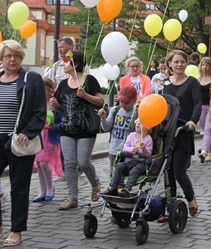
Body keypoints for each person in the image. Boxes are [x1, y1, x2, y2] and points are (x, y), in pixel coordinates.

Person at [0, 40, 46, 247]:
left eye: (16, 55)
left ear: (21, 57)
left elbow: (39, 111)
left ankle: (17, 230)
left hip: (17, 142)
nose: (12, 59)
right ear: (1, 59)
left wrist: (27, 132)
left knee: (19, 187)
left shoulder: (30, 79)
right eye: (7, 56)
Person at [50, 50, 104, 210]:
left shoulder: (89, 80)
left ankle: (95, 183)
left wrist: (86, 95)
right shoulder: (63, 84)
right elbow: (60, 106)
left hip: (86, 129)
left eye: (66, 61)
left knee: (83, 162)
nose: (63, 64)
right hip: (67, 129)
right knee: (70, 163)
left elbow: (100, 101)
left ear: (76, 64)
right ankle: (72, 197)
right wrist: (55, 105)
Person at [162, 49, 202, 217]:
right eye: (176, 62)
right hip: (166, 132)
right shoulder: (164, 84)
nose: (179, 64)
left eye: (182, 61)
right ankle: (170, 208)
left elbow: (198, 104)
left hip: (184, 131)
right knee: (167, 172)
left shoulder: (192, 82)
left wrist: (193, 120)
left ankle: (190, 198)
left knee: (179, 171)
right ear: (169, 64)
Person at [31, 78, 63, 202]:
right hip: (38, 135)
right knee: (39, 163)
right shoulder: (36, 103)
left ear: (49, 90)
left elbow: (62, 120)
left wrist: (55, 126)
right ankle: (43, 190)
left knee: (44, 162)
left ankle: (50, 188)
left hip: (49, 135)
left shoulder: (54, 104)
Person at [104, 120, 153, 197]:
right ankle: (113, 187)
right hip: (129, 161)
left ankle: (127, 188)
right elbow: (125, 147)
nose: (137, 124)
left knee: (134, 171)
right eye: (137, 123)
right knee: (119, 166)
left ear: (147, 128)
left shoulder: (148, 139)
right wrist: (131, 149)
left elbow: (149, 154)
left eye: (140, 124)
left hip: (141, 162)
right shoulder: (131, 135)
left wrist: (144, 149)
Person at [98, 85, 137, 173]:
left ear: (134, 101)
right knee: (114, 175)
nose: (123, 104)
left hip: (128, 151)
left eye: (126, 102)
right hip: (114, 150)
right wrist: (103, 119)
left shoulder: (136, 113)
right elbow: (106, 128)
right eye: (121, 101)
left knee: (125, 174)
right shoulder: (115, 110)